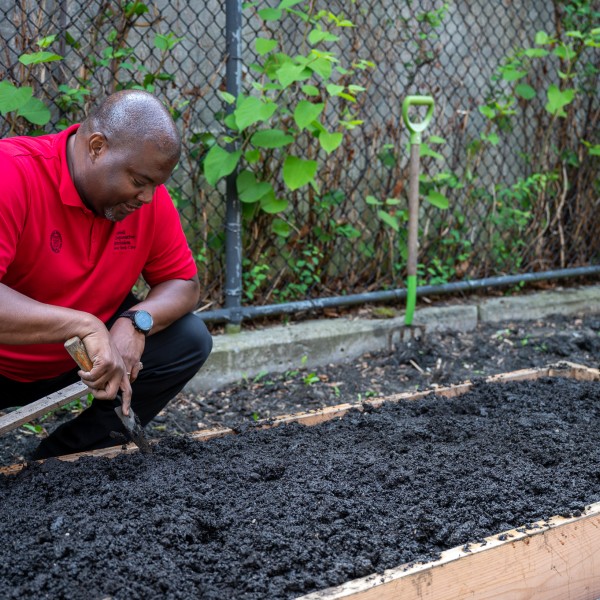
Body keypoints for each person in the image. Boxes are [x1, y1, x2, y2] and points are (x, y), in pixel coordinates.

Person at [0, 89, 213, 459]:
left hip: (81, 364)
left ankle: (65, 458)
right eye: (138, 181)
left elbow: (184, 284)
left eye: (155, 186)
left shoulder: (145, 200)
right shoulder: (12, 173)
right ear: (97, 147)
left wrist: (135, 321)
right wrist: (83, 324)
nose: (147, 198)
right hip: (5, 364)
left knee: (188, 338)